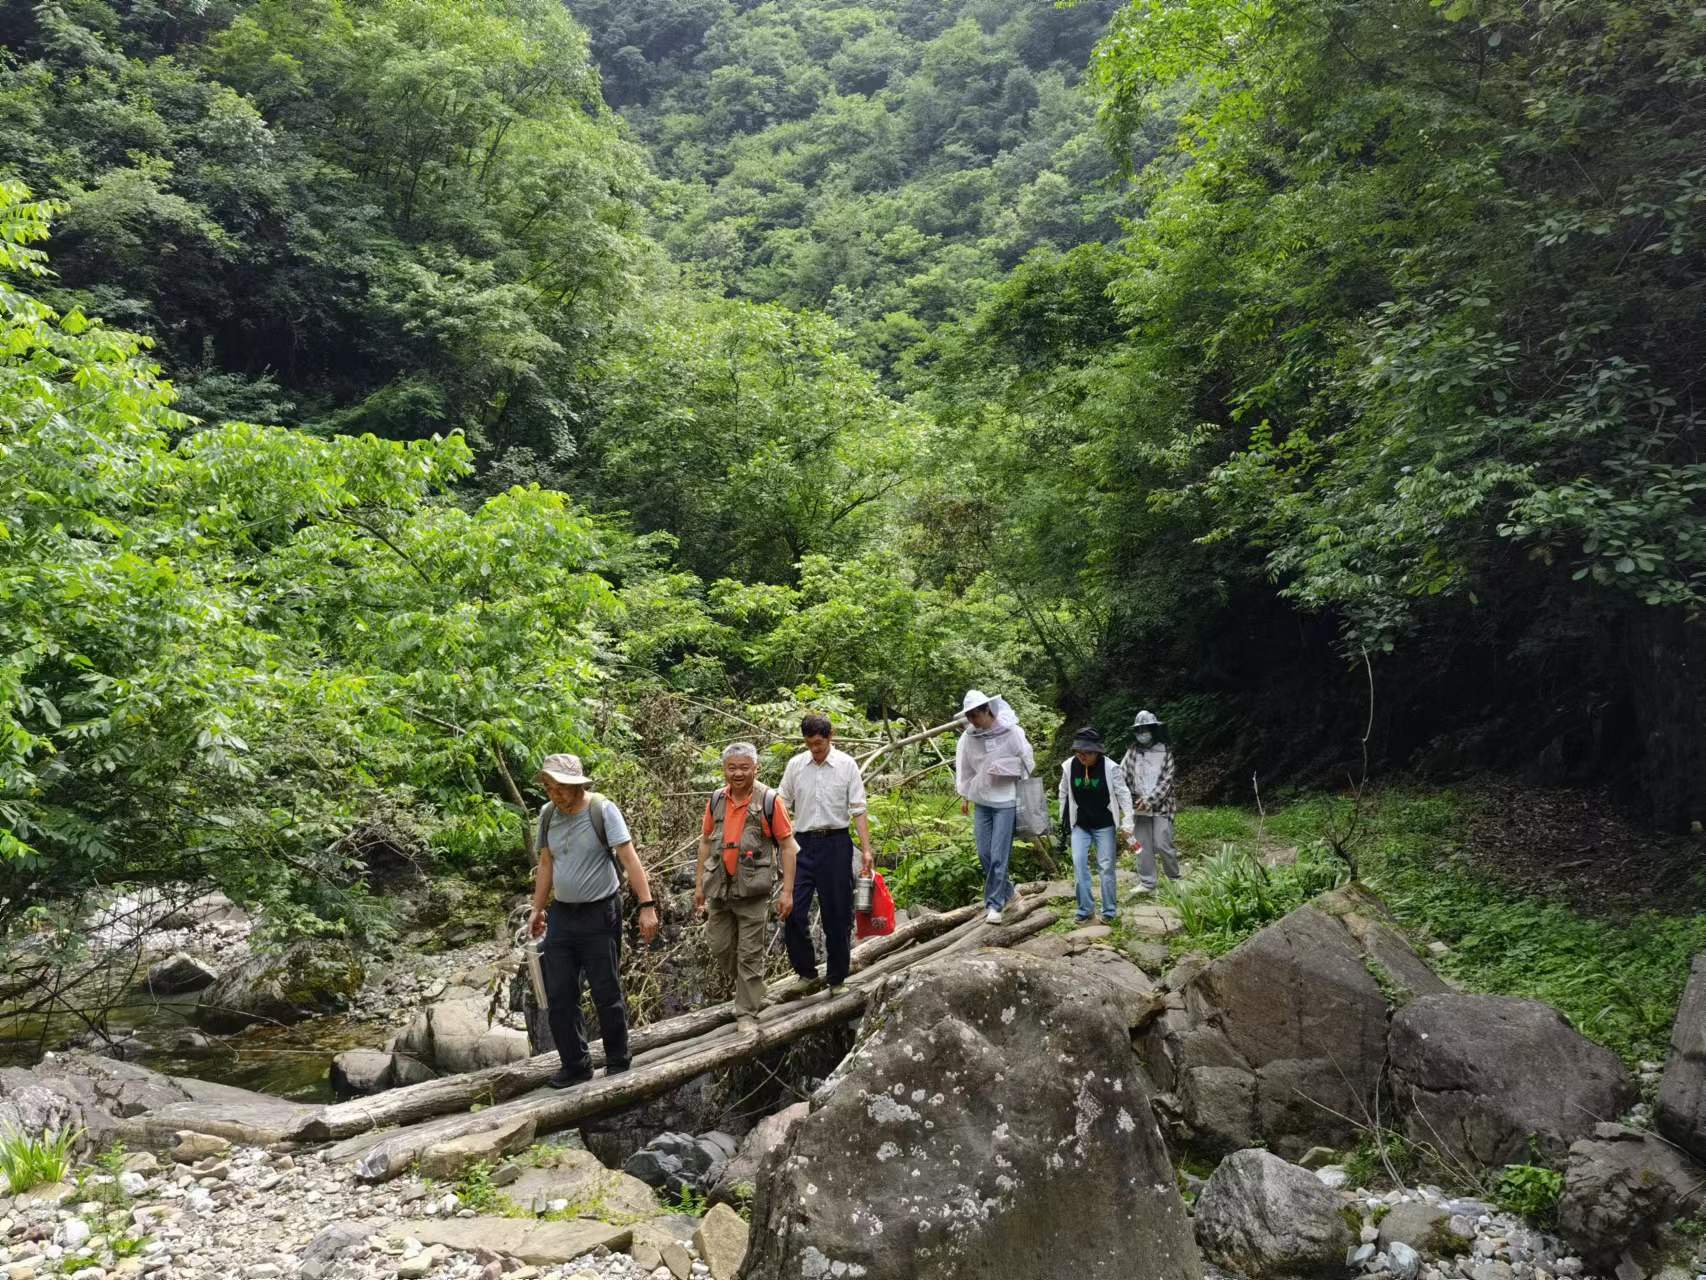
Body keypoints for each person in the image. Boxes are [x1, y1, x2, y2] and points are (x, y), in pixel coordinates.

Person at [527, 753, 659, 1088]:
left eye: (559, 787)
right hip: (562, 915)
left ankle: (617, 1058)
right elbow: (546, 864)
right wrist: (537, 909)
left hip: (600, 911)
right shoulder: (547, 816)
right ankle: (576, 1065)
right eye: (549, 787)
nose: (553, 793)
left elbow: (629, 857)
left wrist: (647, 905)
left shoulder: (601, 810)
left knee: (605, 988)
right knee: (559, 993)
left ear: (576, 785)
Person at [696, 742, 798, 1032]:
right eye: (732, 767)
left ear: (756, 768)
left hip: (753, 891)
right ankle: (754, 990)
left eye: (744, 767)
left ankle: (746, 1014)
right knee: (719, 946)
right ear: (724, 770)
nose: (737, 773)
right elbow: (705, 842)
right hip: (719, 888)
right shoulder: (716, 800)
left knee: (750, 952)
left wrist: (787, 892)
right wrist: (699, 885)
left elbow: (788, 847)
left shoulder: (769, 801)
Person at [777, 714, 873, 996]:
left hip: (836, 843)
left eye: (819, 744)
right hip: (801, 844)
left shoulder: (846, 765)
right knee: (793, 909)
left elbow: (858, 807)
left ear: (831, 737)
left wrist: (866, 849)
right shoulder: (796, 765)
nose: (815, 750)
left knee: (837, 915)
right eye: (810, 744)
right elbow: (782, 801)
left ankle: (837, 978)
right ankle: (806, 973)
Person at [954, 689, 1035, 924]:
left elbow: (1028, 763)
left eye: (975, 716)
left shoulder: (1013, 732)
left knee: (1000, 855)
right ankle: (1009, 893)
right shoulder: (969, 737)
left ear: (987, 710)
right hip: (982, 801)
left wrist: (1007, 767)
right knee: (984, 853)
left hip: (1006, 801)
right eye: (969, 717)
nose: (972, 721)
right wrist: (965, 796)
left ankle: (995, 905)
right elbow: (965, 768)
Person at [1057, 726, 1137, 924]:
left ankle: (1109, 911)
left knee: (1106, 866)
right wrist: (1064, 818)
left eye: (1087, 753)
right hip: (1081, 824)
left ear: (1097, 752)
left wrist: (1128, 821)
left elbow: (1123, 794)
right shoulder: (1068, 766)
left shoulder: (1111, 768)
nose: (1082, 756)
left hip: (1104, 824)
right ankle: (1085, 909)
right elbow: (1063, 792)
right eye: (1079, 752)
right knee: (1079, 863)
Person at [1121, 710, 1181, 891]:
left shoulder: (1165, 751)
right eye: (1139, 730)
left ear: (1153, 730)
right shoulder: (1132, 752)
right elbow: (1122, 775)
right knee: (1141, 846)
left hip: (1163, 806)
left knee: (1163, 843)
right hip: (1139, 806)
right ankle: (1147, 882)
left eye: (1145, 729)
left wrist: (1150, 800)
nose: (1142, 734)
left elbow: (1166, 781)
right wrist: (1129, 798)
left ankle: (1174, 879)